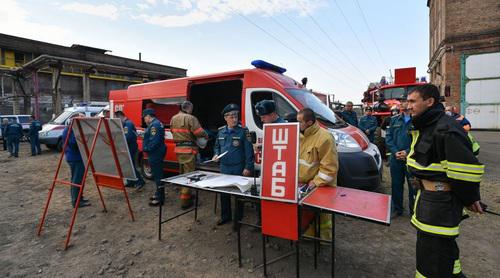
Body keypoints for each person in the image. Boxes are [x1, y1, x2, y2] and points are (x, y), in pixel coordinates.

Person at [406, 84, 484, 277]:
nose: (408, 106)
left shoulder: (445, 128)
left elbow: (465, 172)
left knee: (432, 263)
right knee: (445, 258)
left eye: (412, 101)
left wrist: (470, 199)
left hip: (439, 207)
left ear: (429, 101)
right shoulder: (429, 124)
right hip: (431, 202)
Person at [297, 108, 338, 240]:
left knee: (323, 218)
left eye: (300, 122)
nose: (297, 124)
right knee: (307, 216)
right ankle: (309, 236)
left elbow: (329, 167)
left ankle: (324, 240)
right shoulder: (299, 135)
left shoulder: (325, 137)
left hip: (321, 185)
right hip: (303, 186)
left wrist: (316, 182)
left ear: (309, 122)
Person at [213, 104, 254, 226]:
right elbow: (216, 147)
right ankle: (225, 217)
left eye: (236, 116)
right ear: (225, 118)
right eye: (231, 117)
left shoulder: (243, 131)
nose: (234, 119)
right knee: (224, 193)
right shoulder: (221, 132)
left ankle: (238, 219)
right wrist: (215, 155)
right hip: (224, 167)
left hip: (238, 167)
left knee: (238, 195)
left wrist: (248, 167)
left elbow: (249, 152)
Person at [170, 101, 208, 209]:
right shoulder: (191, 118)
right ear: (189, 108)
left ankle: (187, 194)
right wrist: (206, 135)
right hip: (189, 150)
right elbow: (199, 132)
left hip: (178, 150)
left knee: (182, 173)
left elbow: (173, 131)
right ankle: (185, 201)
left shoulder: (173, 118)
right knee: (189, 175)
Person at [385, 100, 414, 218]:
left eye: (405, 101)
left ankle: (414, 210)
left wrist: (407, 152)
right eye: (401, 102)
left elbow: (421, 140)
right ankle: (397, 209)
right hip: (395, 158)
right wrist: (395, 152)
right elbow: (388, 137)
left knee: (413, 185)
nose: (402, 104)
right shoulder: (394, 120)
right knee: (396, 184)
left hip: (411, 159)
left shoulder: (417, 120)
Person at [62, 113, 90, 208]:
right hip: (75, 158)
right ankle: (76, 201)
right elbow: (73, 144)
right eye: (81, 119)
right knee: (77, 180)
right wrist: (83, 139)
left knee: (78, 179)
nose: (82, 121)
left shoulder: (73, 129)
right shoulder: (72, 130)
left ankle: (79, 198)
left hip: (76, 157)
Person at [115, 111, 145, 191]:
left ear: (120, 116)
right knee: (127, 165)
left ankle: (140, 181)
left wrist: (119, 141)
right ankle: (130, 181)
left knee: (131, 166)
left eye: (117, 118)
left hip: (130, 148)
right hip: (128, 147)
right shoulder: (126, 123)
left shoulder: (128, 124)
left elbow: (127, 137)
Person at [142, 108, 166, 207]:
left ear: (148, 116)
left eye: (144, 117)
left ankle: (160, 198)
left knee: (158, 176)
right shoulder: (156, 123)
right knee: (157, 175)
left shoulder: (154, 125)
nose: (144, 119)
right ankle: (158, 193)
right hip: (156, 153)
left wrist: (146, 148)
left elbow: (154, 141)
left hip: (155, 153)